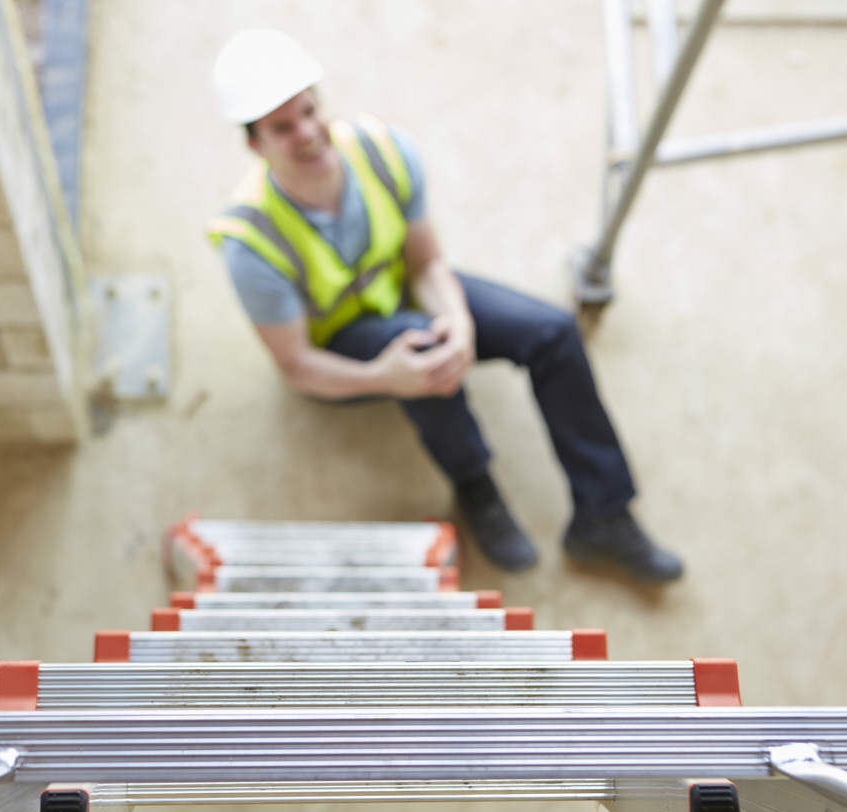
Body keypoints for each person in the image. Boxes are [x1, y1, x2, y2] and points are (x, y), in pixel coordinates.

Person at [207, 29, 682, 581]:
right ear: (254, 145)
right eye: (282, 128)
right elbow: (296, 366)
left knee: (552, 332)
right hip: (342, 350)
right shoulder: (252, 243)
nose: (309, 134)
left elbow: (427, 264)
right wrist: (385, 378)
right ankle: (475, 483)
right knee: (422, 351)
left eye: (310, 111)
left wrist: (458, 319)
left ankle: (604, 514)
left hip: (407, 295)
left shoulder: (384, 154)